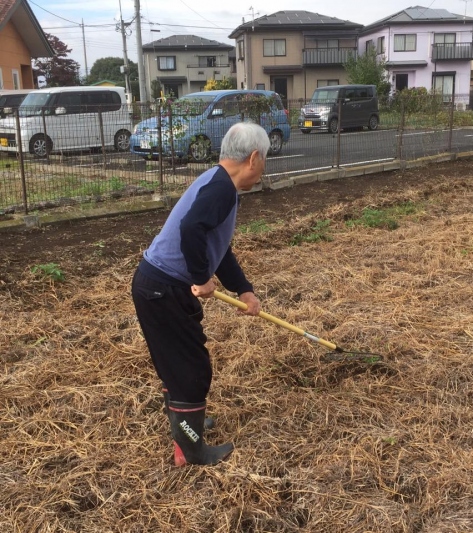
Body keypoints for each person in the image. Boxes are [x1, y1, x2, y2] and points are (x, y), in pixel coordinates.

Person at [131, 122, 269, 466]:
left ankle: (185, 424)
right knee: (191, 370)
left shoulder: (218, 182)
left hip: (156, 286)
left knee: (178, 366)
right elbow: (191, 228)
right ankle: (190, 451)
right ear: (253, 158)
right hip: (163, 289)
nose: (264, 167)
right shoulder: (221, 190)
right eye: (265, 160)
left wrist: (245, 290)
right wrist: (201, 278)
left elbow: (217, 248)